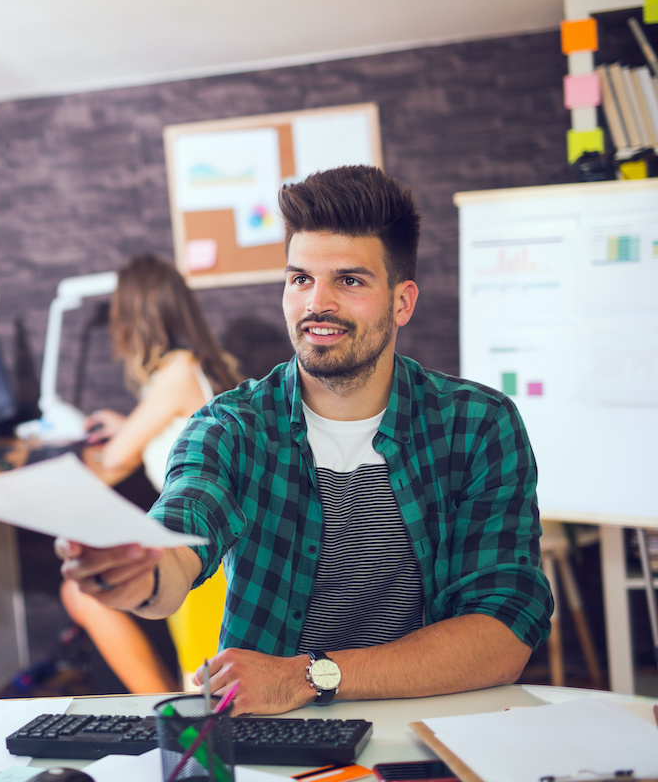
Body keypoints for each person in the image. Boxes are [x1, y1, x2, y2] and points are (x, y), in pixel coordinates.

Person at [57, 165, 553, 715]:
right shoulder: (232, 426)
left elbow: (504, 629)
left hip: (437, 729)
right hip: (275, 741)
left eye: (350, 280)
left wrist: (309, 676)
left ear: (402, 302)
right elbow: (185, 523)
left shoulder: (478, 425)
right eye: (300, 279)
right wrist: (141, 568)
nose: (319, 304)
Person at [60, 253, 243, 693]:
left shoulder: (176, 373)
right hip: (221, 534)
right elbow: (186, 433)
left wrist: (44, 465)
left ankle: (179, 736)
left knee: (202, 684)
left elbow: (111, 462)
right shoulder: (207, 364)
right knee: (206, 677)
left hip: (200, 542)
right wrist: (132, 427)